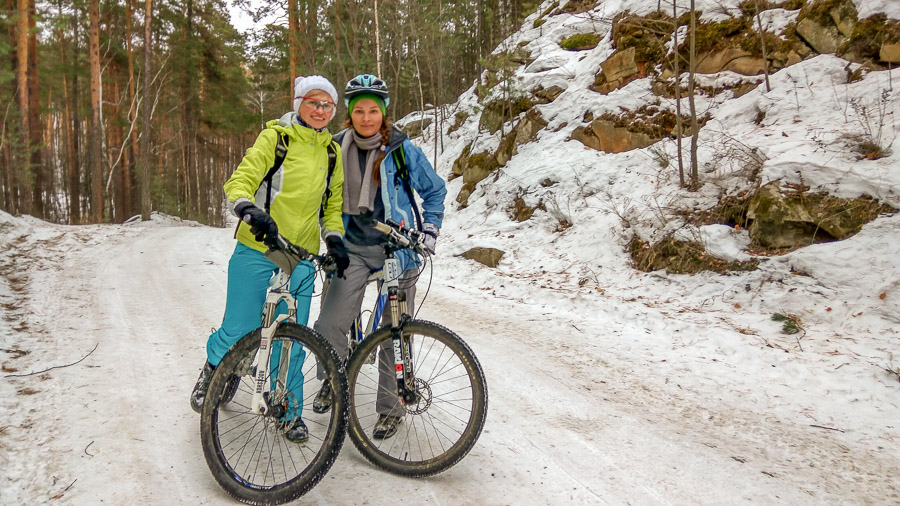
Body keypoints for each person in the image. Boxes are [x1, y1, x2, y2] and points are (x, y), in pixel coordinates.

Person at [190, 75, 351, 444]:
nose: (321, 110)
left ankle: (288, 409)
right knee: (240, 327)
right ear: (298, 103)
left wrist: (335, 240)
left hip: (301, 256)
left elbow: (332, 207)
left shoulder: (332, 153)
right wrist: (247, 208)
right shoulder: (275, 138)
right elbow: (241, 178)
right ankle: (216, 368)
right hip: (259, 245)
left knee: (293, 338)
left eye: (328, 104)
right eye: (314, 102)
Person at [311, 73, 447, 439]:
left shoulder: (403, 150)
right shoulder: (335, 147)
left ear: (384, 113)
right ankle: (332, 379)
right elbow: (318, 195)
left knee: (395, 333)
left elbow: (434, 191)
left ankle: (391, 407)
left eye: (374, 110)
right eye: (360, 110)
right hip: (351, 249)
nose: (367, 117)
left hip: (398, 250)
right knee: (329, 324)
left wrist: (429, 230)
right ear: (350, 114)